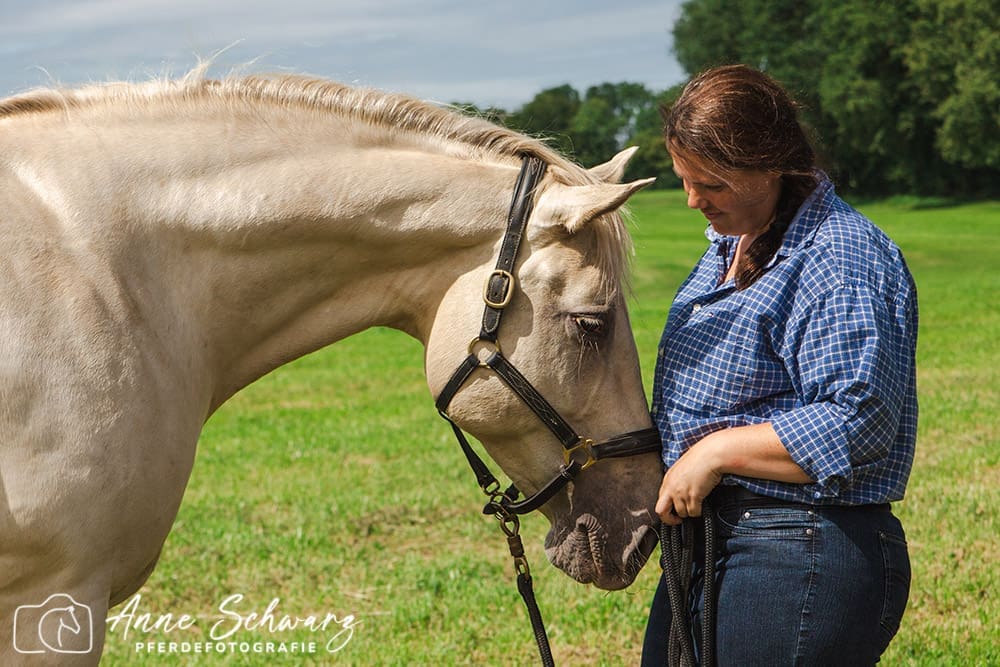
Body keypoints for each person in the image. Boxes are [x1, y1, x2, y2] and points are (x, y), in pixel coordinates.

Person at [641, 64, 917, 666]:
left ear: (769, 163)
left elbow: (859, 420)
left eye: (708, 182)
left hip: (802, 545)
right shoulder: (729, 244)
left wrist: (713, 453)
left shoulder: (838, 258)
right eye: (685, 180)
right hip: (716, 540)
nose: (692, 200)